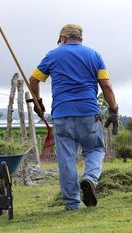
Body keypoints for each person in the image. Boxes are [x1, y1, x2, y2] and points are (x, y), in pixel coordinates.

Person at [29, 24, 119, 210]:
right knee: (95, 150)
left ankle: (72, 204)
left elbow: (33, 79)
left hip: (62, 115)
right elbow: (107, 86)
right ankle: (89, 179)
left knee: (66, 159)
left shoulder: (53, 55)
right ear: (80, 38)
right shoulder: (94, 55)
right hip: (88, 113)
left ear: (63, 38)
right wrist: (114, 109)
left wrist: (38, 102)